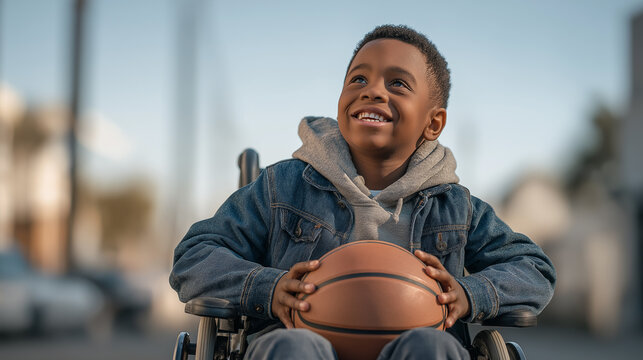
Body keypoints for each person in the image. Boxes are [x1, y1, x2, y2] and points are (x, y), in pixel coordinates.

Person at [170, 24, 556, 359]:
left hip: (419, 345)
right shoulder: (282, 187)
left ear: (433, 122)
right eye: (358, 79)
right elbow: (194, 256)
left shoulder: (456, 208)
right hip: (300, 341)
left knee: (432, 348)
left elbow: (534, 270)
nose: (372, 91)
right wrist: (267, 288)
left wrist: (470, 294)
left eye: (397, 83)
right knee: (293, 348)